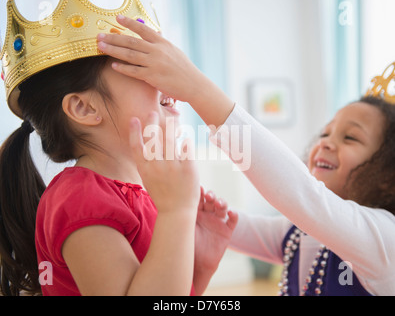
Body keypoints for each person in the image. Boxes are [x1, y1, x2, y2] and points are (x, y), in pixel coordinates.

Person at [98, 15, 395, 296]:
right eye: (326, 133)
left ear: (388, 177)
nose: (328, 143)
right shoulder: (294, 234)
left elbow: (302, 194)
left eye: (351, 137)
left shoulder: (384, 238)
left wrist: (197, 88)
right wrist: (177, 196)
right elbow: (229, 226)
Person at [0, 14, 238, 298]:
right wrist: (178, 213)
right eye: (141, 66)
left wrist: (201, 266)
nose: (168, 78)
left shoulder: (146, 193)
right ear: (83, 107)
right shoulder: (78, 198)